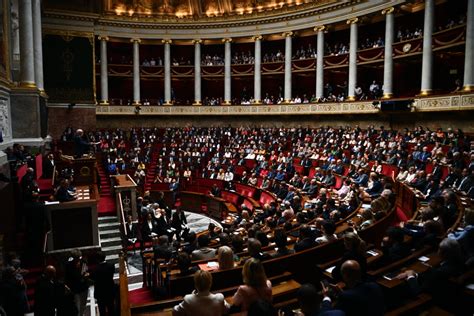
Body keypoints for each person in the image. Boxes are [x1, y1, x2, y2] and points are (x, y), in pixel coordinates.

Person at [91, 251, 116, 316]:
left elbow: (93, 279)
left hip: (100, 293)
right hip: (110, 290)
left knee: (102, 311)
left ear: (97, 259)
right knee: (111, 309)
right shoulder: (111, 266)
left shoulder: (95, 269)